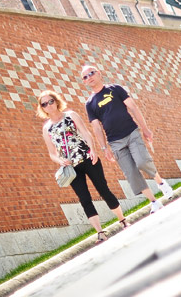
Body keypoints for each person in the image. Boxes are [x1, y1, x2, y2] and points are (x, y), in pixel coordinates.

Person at [38, 90, 130, 244]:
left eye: (51, 101)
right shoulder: (46, 128)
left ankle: (123, 220)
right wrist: (59, 160)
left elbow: (86, 133)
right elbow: (51, 153)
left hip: (88, 158)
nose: (49, 105)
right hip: (71, 167)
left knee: (103, 189)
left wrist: (93, 150)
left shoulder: (71, 115)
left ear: (56, 101)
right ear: (42, 108)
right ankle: (100, 232)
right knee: (84, 198)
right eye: (44, 104)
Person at [82, 64, 175, 214]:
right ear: (84, 82)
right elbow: (96, 127)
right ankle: (154, 202)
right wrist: (104, 148)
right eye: (85, 77)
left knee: (142, 162)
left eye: (91, 73)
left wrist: (145, 129)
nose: (89, 77)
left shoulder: (115, 89)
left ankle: (160, 182)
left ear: (99, 73)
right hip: (115, 142)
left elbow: (133, 107)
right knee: (131, 173)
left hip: (131, 133)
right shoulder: (90, 103)